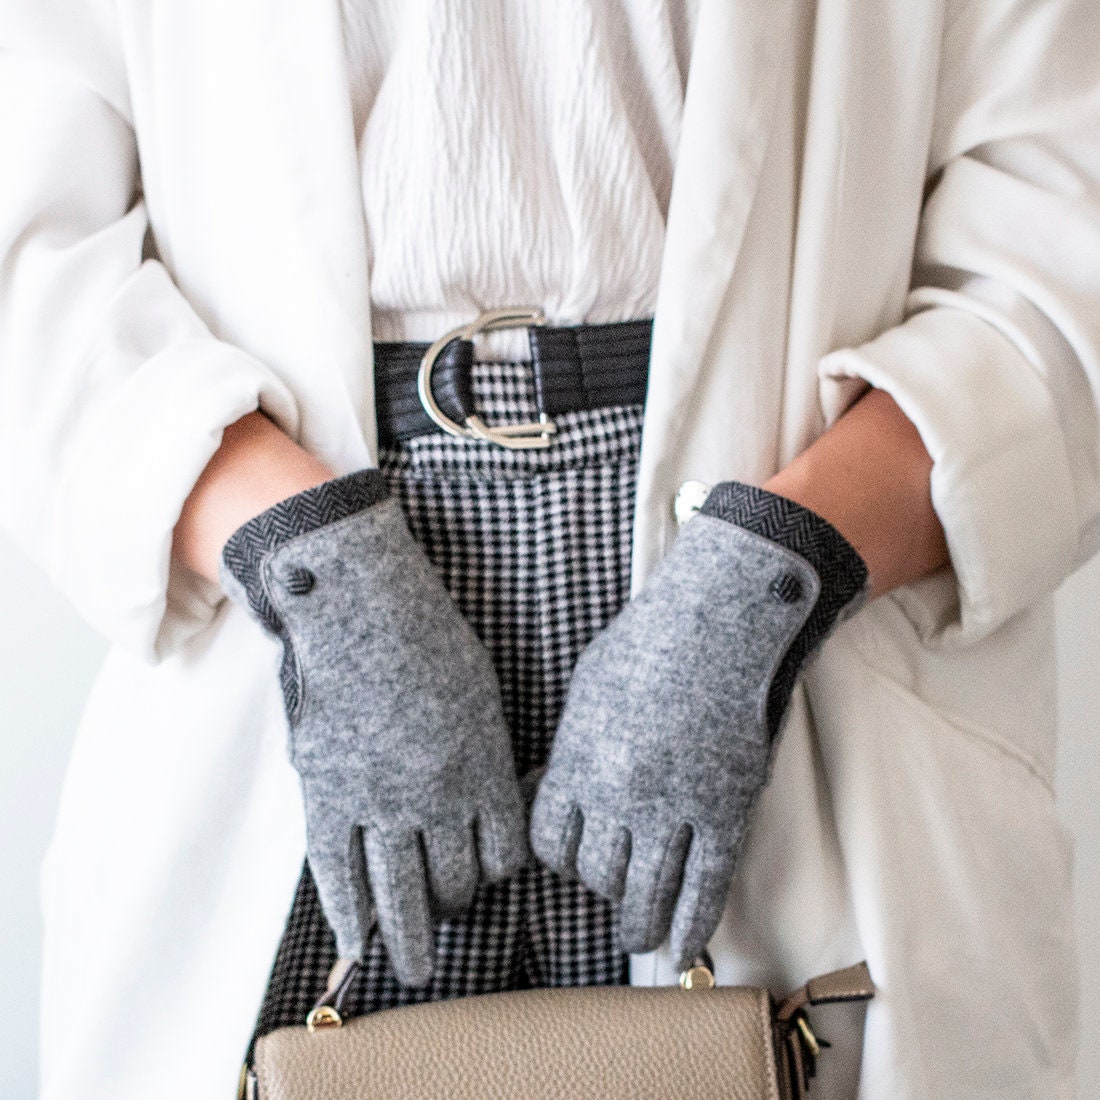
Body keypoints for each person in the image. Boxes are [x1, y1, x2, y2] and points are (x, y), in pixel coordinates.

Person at [2, 0, 1097, 1096]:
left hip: (794, 577)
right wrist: (313, 569)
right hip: (290, 582)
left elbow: (1058, 251)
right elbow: (32, 266)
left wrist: (771, 577)